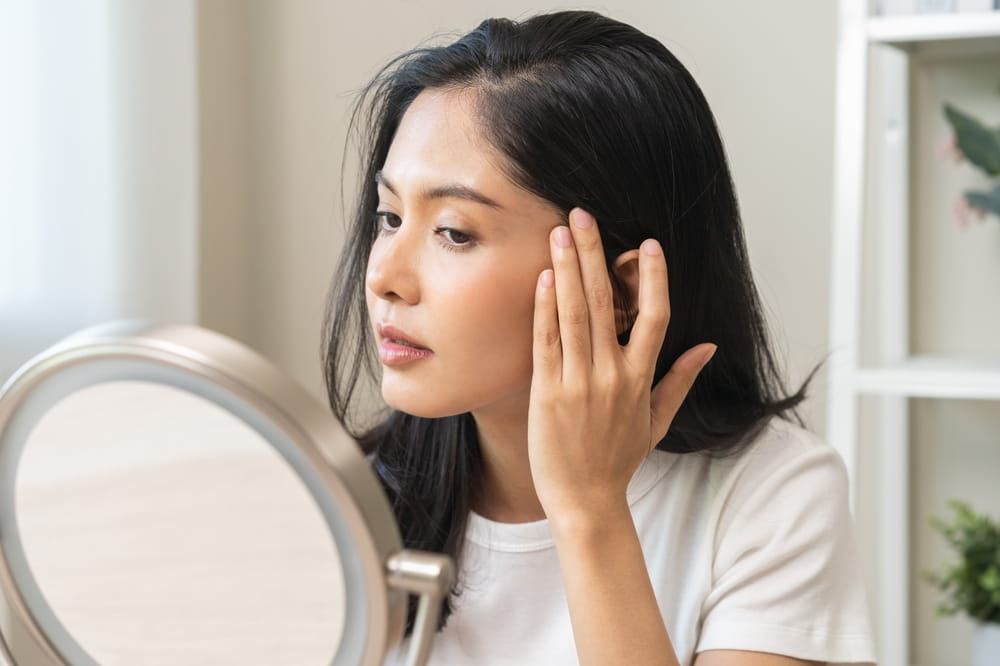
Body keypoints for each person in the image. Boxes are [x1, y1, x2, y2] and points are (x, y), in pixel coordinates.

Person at [323, 10, 875, 666]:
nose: (384, 275)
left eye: (454, 232)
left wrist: (589, 511)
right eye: (388, 217)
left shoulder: (773, 498)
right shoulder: (335, 505)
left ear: (624, 294)